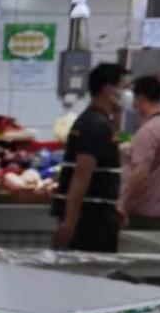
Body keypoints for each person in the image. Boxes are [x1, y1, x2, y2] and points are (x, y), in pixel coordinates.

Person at [52, 62, 125, 253]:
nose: (125, 93)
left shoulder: (97, 121)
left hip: (96, 213)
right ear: (108, 89)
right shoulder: (95, 125)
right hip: (91, 221)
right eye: (122, 86)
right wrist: (70, 223)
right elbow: (81, 177)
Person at [118, 75, 160, 231]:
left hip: (144, 215)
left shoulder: (149, 130)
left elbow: (141, 173)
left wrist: (123, 204)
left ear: (141, 98)